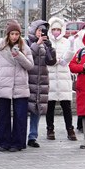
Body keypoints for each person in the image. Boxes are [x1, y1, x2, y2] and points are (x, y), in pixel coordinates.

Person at [0, 21, 34, 152]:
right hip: (3, 85)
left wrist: (19, 55)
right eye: (12, 34)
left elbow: (30, 65)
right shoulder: (0, 47)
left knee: (20, 116)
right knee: (4, 115)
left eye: (17, 34)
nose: (14, 36)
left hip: (20, 86)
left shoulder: (25, 47)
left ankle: (18, 143)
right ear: (8, 34)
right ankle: (3, 142)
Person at [25, 20, 56, 148]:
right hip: (27, 80)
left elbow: (51, 61)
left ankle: (33, 136)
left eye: (43, 31)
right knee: (23, 109)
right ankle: (20, 134)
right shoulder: (26, 42)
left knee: (36, 109)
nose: (40, 33)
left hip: (40, 81)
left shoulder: (45, 43)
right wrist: (37, 45)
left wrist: (50, 48)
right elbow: (26, 57)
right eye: (39, 30)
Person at [45, 17, 76, 141]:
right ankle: (50, 129)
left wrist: (66, 56)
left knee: (66, 106)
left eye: (58, 29)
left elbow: (68, 56)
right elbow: (46, 57)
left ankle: (70, 129)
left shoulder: (65, 42)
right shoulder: (47, 42)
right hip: (50, 76)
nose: (56, 31)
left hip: (63, 77)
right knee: (50, 106)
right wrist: (55, 61)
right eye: (54, 29)